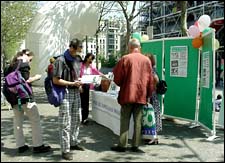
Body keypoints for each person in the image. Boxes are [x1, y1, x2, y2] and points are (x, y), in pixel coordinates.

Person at [3, 49, 51, 154]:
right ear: (26, 55)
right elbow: (26, 80)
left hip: (14, 98)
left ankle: (21, 146)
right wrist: (36, 77)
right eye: (31, 59)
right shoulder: (23, 64)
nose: (30, 61)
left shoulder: (9, 66)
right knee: (35, 120)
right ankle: (38, 145)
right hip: (25, 97)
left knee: (17, 121)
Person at [111, 38, 154, 153]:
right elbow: (150, 80)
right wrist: (149, 94)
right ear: (139, 47)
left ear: (129, 47)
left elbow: (117, 79)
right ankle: (135, 145)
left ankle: (122, 145)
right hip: (141, 95)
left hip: (127, 94)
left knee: (125, 120)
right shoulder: (147, 60)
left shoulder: (125, 59)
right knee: (138, 121)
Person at [53, 38, 85, 160]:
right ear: (71, 48)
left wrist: (80, 83)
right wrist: (72, 84)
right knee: (65, 122)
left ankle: (73, 142)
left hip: (76, 91)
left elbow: (78, 75)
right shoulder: (60, 60)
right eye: (78, 50)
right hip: (65, 92)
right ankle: (65, 150)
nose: (79, 53)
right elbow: (56, 80)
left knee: (77, 118)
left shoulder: (77, 59)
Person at [80, 52, 104, 125]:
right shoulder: (81, 65)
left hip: (87, 86)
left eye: (92, 59)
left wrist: (105, 76)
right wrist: (79, 86)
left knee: (86, 103)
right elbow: (77, 74)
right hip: (80, 85)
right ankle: (79, 117)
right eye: (89, 58)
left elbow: (98, 73)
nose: (90, 60)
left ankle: (85, 118)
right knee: (80, 102)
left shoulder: (91, 67)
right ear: (86, 58)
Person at [145, 54, 162, 145]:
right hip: (153, 96)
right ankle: (152, 137)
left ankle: (154, 138)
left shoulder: (151, 70)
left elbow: (156, 80)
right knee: (152, 117)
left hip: (152, 96)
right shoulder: (152, 69)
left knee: (153, 117)